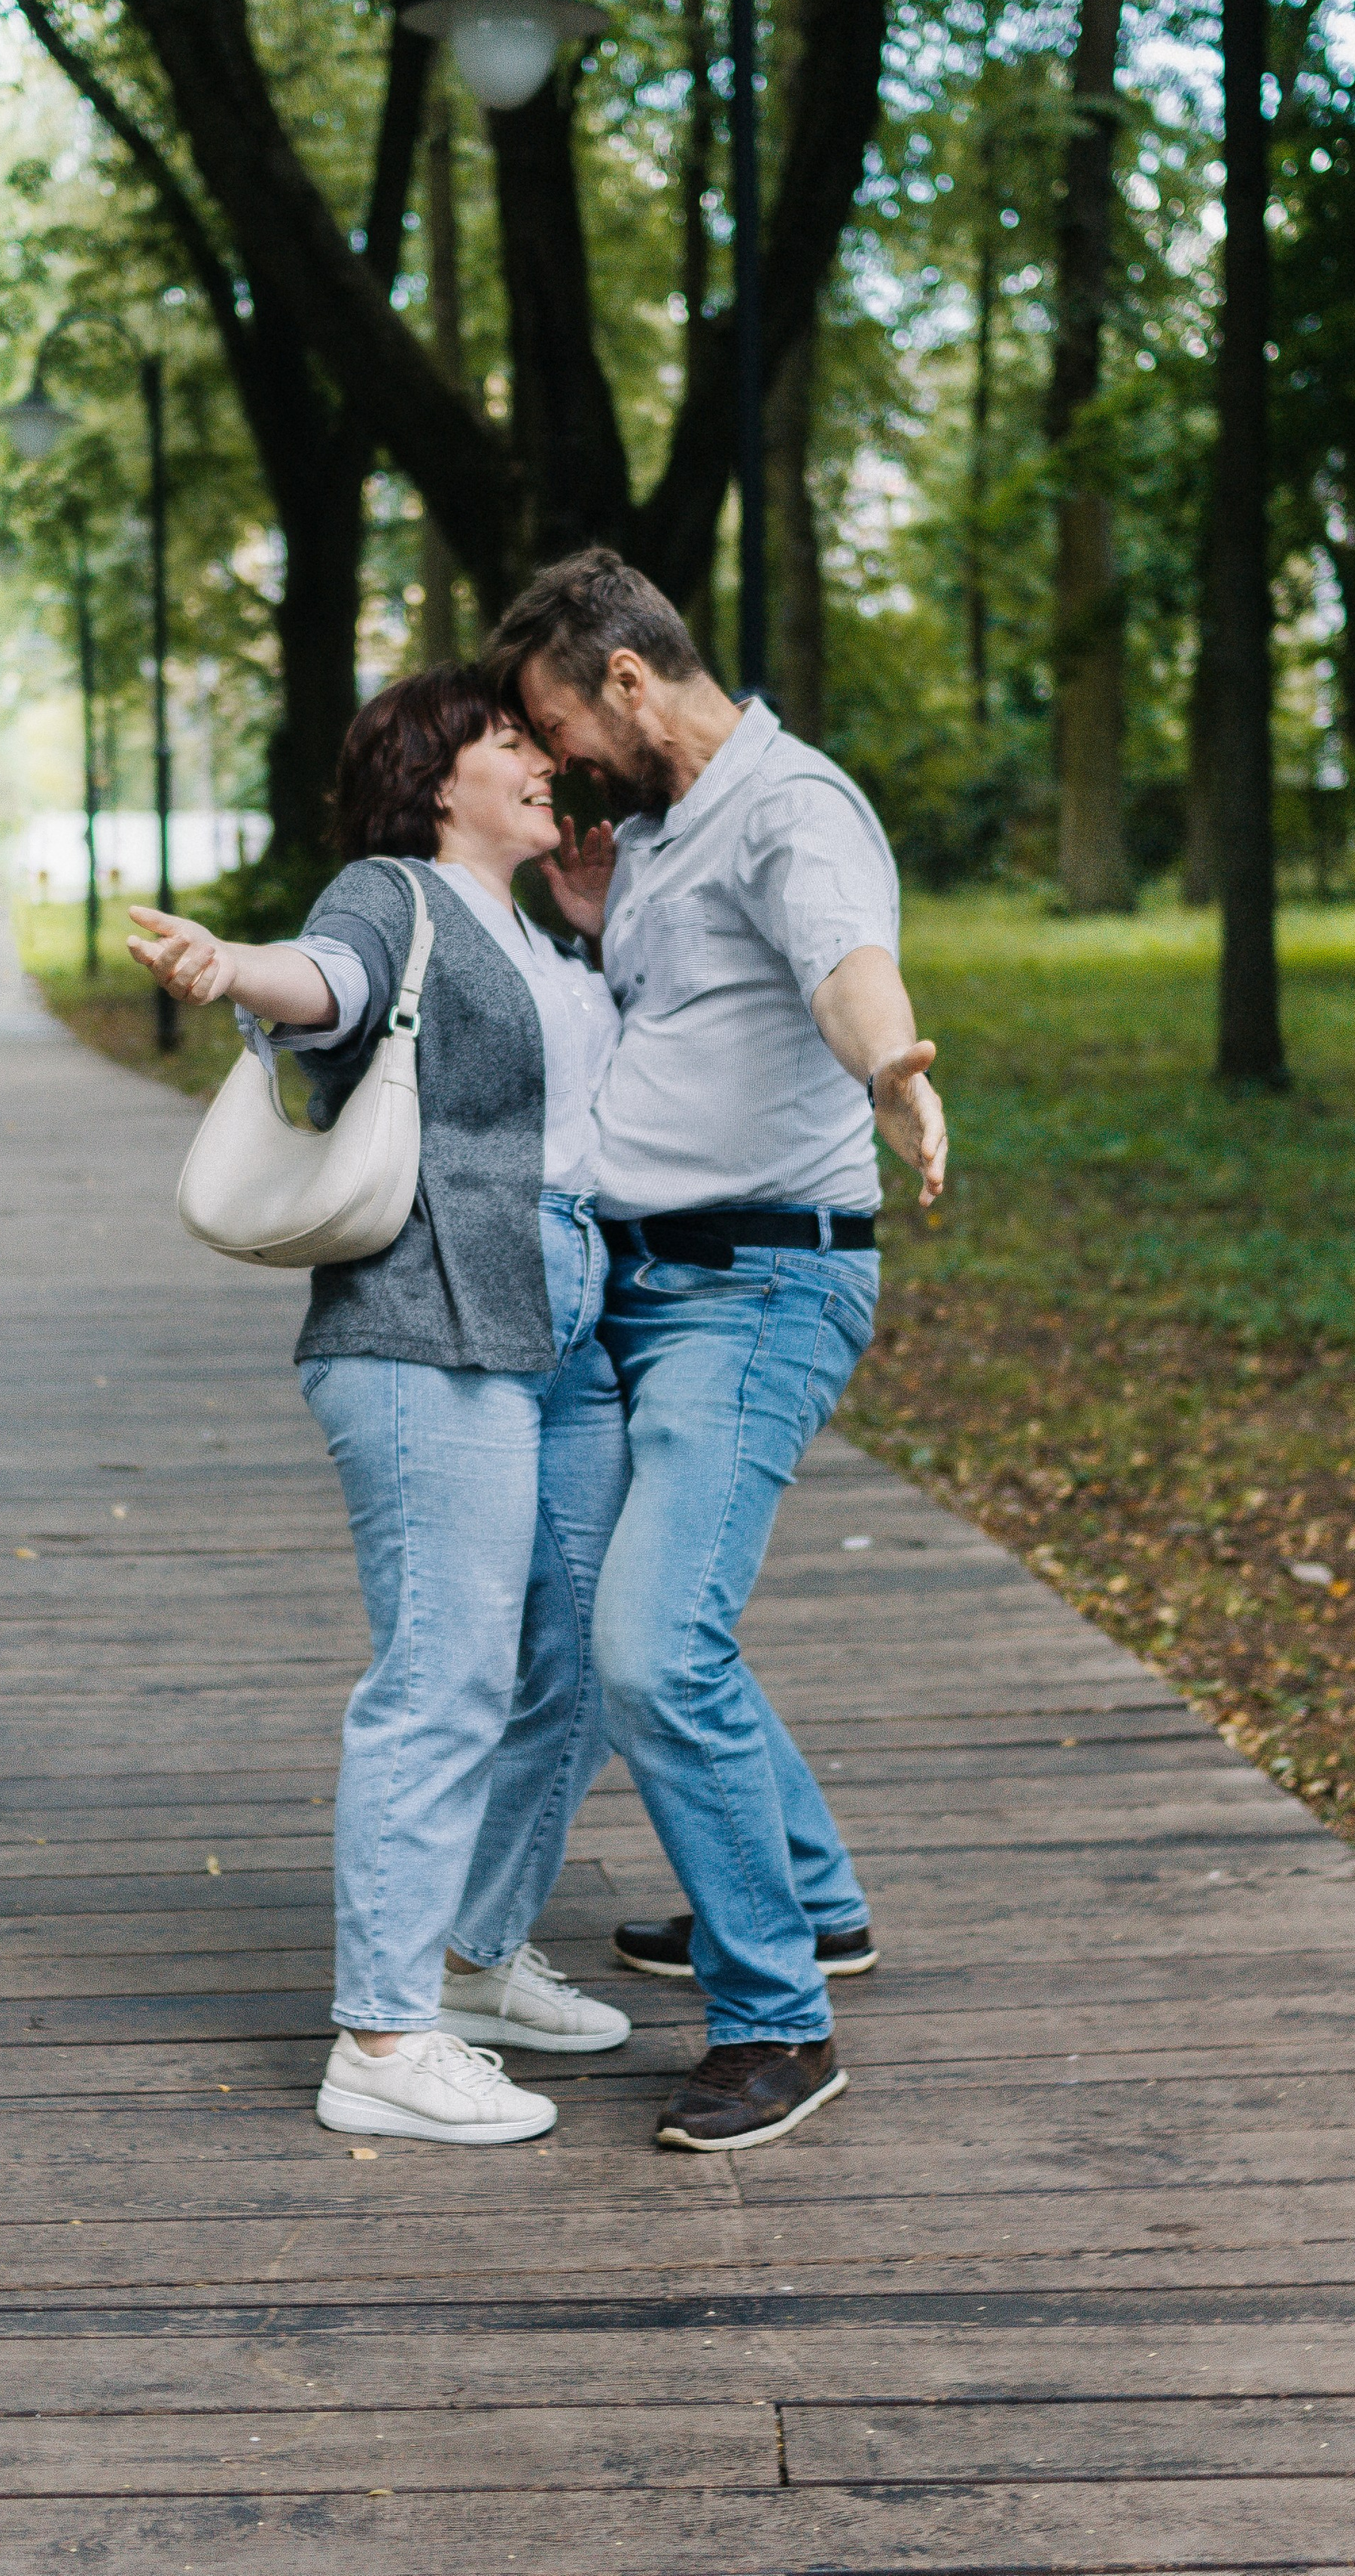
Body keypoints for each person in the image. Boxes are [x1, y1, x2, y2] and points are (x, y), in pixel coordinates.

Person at [128, 668, 635, 2147]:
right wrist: (235, 969)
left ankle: (468, 1961)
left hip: (563, 1329)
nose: (546, 762)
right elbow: (327, 982)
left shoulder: (544, 930)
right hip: (422, 1331)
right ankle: (381, 2032)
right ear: (431, 776)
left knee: (589, 1658)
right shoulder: (391, 893)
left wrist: (597, 929)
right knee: (444, 1672)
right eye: (508, 741)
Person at [489, 549, 949, 2154]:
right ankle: (805, 1900)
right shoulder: (669, 835)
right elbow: (688, 1020)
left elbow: (840, 962)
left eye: (556, 724)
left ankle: (776, 2023)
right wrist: (607, 927)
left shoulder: (787, 809)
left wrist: (890, 1065)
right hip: (649, 1287)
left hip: (751, 1289)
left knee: (648, 1647)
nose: (549, 765)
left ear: (628, 678)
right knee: (654, 1628)